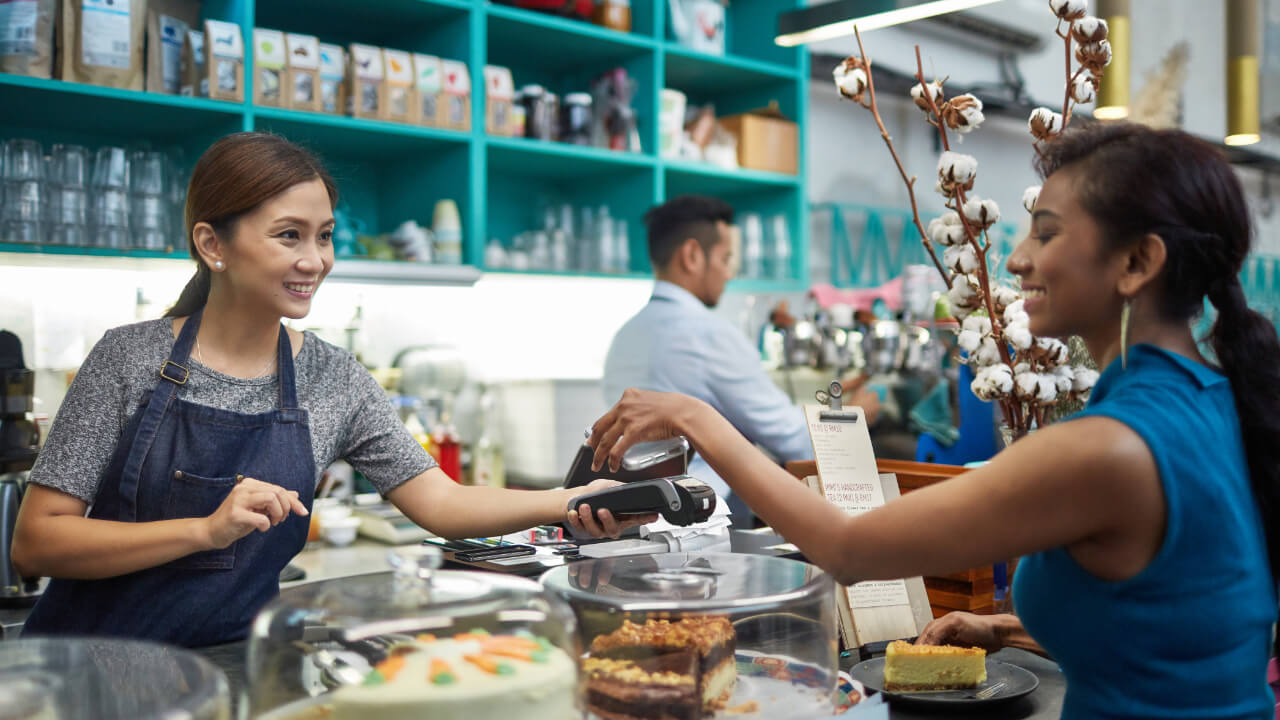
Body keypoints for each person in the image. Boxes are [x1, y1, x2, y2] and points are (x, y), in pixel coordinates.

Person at [577, 123, 1280, 719]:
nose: (1016, 257)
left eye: (1046, 232)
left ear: (1137, 262)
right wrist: (1007, 625)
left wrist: (700, 419)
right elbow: (1171, 613)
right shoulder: (1209, 394)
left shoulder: (1107, 448)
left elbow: (849, 548)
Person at [12, 132, 651, 648]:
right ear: (213, 244)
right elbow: (38, 542)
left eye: (323, 236)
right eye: (288, 235)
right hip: (90, 665)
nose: (314, 260)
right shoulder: (130, 357)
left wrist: (571, 499)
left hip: (239, 665)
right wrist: (203, 531)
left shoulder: (332, 376)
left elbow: (443, 504)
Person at [602, 195, 877, 526]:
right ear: (691, 256)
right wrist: (855, 415)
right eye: (726, 258)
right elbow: (796, 442)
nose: (730, 273)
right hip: (703, 521)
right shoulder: (708, 334)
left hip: (638, 517)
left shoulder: (624, 336)